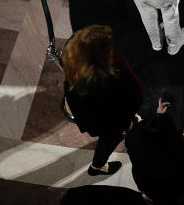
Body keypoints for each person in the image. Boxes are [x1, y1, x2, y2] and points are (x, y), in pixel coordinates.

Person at [61, 25, 142, 176]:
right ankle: (97, 167)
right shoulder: (115, 77)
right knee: (108, 141)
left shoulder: (73, 70)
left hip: (88, 116)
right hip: (109, 122)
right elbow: (134, 100)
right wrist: (128, 122)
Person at [124, 98, 184, 205]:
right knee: (180, 193)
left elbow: (145, 132)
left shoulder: (132, 139)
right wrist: (160, 118)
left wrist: (158, 116)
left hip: (147, 186)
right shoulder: (174, 149)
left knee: (161, 199)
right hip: (174, 187)